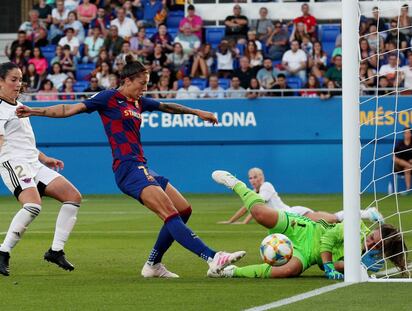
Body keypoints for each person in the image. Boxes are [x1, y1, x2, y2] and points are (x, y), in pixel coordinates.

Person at [16, 57, 246, 278]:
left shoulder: (138, 102)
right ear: (127, 81)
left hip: (142, 166)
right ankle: (213, 257)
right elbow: (69, 109)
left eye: (146, 85)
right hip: (127, 168)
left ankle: (153, 265)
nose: (144, 89)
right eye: (141, 84)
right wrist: (35, 111)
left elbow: (167, 106)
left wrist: (197, 112)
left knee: (183, 210)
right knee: (169, 213)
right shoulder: (107, 98)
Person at [209, 170, 408, 279]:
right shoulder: (355, 229)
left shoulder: (373, 262)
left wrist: (353, 266)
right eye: (373, 237)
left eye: (377, 245)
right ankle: (236, 184)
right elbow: (328, 240)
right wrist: (330, 265)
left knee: (289, 270)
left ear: (384, 250)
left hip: (308, 254)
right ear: (373, 230)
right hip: (305, 229)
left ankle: (230, 271)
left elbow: (336, 266)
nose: (372, 242)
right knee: (260, 214)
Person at [0, 62, 82, 276]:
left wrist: (45, 158)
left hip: (33, 163)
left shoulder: (19, 106)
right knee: (33, 206)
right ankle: (3, 252)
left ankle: (55, 251)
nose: (18, 84)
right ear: (0, 81)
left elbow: (25, 142)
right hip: (12, 162)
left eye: (20, 79)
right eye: (13, 80)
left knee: (73, 197)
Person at [219, 167, 383, 225]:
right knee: (332, 222)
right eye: (250, 178)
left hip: (293, 214)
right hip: (288, 219)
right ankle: (367, 214)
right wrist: (232, 221)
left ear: (261, 177)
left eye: (255, 177)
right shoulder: (256, 192)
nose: (252, 180)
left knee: (333, 219)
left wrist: (243, 222)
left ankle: (368, 213)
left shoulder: (266, 187)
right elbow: (249, 207)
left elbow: (255, 208)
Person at [393, 127, 412, 192]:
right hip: (400, 165)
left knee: (407, 168)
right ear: (403, 134)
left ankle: (408, 189)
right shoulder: (400, 143)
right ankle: (411, 167)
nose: (407, 134)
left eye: (408, 133)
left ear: (411, 134)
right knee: (397, 160)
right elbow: (394, 155)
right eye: (405, 133)